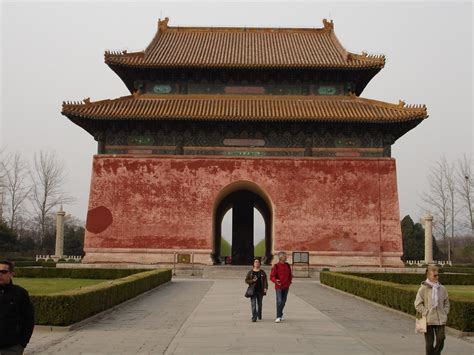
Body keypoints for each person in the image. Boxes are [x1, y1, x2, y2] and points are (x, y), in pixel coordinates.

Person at [0, 260, 35, 355]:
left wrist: (22, 343)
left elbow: (29, 319)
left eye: (3, 272)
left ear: (11, 274)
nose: (0, 274)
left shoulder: (20, 293)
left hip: (12, 347)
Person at [414, 265, 450, 355]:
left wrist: (445, 312)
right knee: (429, 344)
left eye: (438, 275)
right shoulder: (423, 289)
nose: (437, 277)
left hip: (440, 319)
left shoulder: (442, 289)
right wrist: (426, 312)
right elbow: (417, 304)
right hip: (428, 320)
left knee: (441, 339)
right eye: (435, 275)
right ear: (428, 275)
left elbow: (446, 302)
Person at [270, 251, 292, 323]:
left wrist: (289, 282)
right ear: (281, 257)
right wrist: (276, 281)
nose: (286, 257)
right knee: (279, 301)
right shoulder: (276, 266)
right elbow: (272, 276)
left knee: (283, 301)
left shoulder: (288, 265)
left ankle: (281, 313)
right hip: (278, 286)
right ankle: (278, 316)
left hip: (286, 286)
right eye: (285, 256)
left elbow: (290, 275)